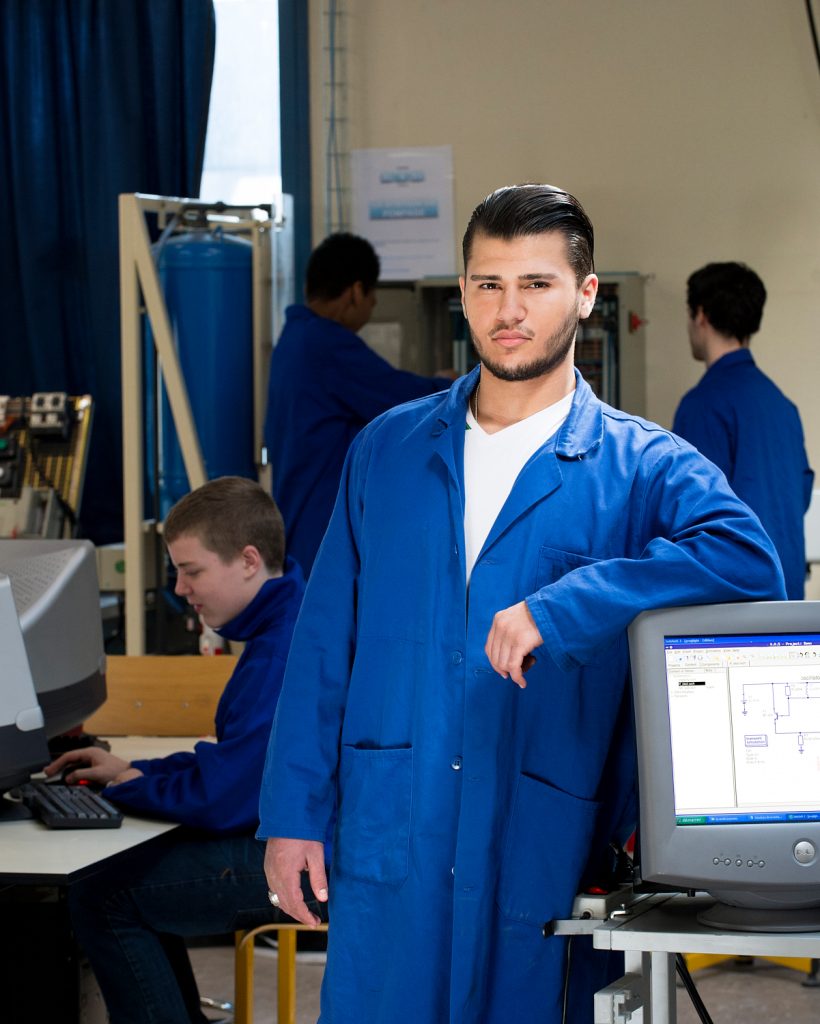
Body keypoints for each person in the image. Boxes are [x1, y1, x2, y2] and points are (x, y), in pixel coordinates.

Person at [258, 185, 788, 1024]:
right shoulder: (387, 451)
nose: (509, 311)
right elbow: (324, 643)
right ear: (464, 293)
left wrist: (572, 603)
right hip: (395, 823)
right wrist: (292, 814)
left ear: (584, 296)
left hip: (541, 830)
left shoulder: (641, 465)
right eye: (487, 285)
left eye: (536, 285)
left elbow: (750, 562)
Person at [45, 476, 309, 1024]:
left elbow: (227, 799)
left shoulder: (282, 650)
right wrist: (133, 770)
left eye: (192, 571)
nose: (182, 589)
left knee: (106, 895)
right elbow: (238, 761)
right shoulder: (287, 623)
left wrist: (131, 787)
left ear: (248, 560)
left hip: (312, 863)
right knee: (125, 877)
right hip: (307, 840)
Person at [264, 231, 455, 576]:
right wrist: (458, 385)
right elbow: (398, 398)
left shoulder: (293, 340)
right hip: (319, 528)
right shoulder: (324, 343)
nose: (372, 306)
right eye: (372, 296)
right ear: (355, 291)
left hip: (297, 519)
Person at [673, 261, 814, 599]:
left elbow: (689, 515)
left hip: (734, 609)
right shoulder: (782, 406)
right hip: (790, 605)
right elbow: (801, 492)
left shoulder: (704, 404)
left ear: (701, 315)